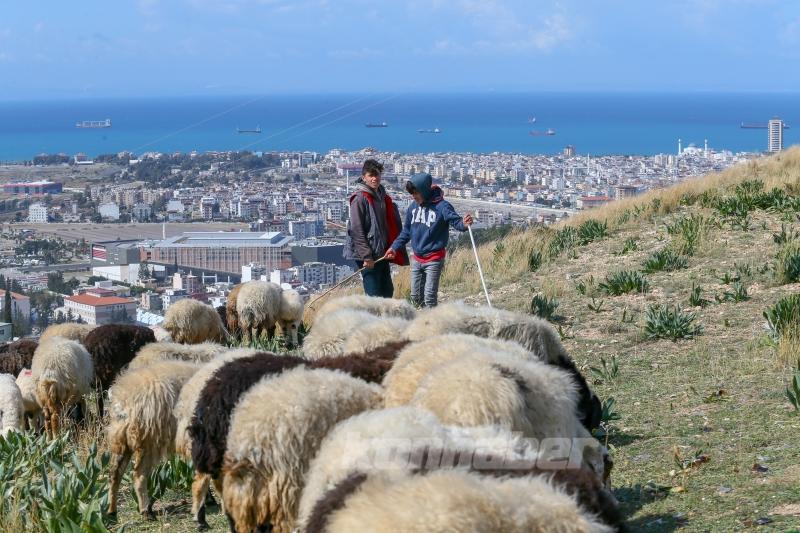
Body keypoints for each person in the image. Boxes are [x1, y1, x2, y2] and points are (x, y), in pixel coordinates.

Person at [385, 172, 473, 307]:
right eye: (412, 193)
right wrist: (394, 247)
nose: (413, 196)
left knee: (430, 297)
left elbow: (457, 223)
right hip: (417, 258)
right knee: (415, 296)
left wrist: (464, 224)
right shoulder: (413, 207)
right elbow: (407, 231)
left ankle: (432, 319)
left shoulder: (442, 206)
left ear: (424, 190)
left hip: (434, 258)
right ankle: (420, 318)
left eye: (416, 193)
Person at [344, 159, 407, 297]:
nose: (374, 178)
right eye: (371, 175)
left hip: (382, 251)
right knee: (373, 293)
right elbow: (356, 230)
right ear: (364, 177)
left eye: (377, 174)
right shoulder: (359, 199)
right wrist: (366, 256)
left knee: (387, 290)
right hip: (366, 254)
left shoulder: (382, 197)